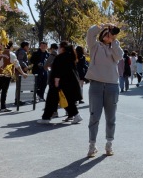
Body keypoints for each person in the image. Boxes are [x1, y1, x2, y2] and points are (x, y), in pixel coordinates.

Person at [84, 23, 124, 157]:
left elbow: (119, 56)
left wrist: (114, 41)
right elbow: (90, 33)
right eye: (107, 33)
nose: (109, 35)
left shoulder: (115, 47)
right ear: (102, 35)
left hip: (112, 85)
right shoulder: (95, 46)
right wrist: (104, 25)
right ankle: (92, 145)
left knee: (111, 118)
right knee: (94, 116)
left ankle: (109, 144)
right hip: (96, 85)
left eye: (111, 34)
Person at [37, 42, 82, 124]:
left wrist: (56, 80)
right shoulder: (71, 57)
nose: (58, 49)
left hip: (60, 83)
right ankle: (76, 115)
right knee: (68, 100)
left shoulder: (60, 57)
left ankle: (46, 118)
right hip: (69, 83)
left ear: (63, 48)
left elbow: (59, 69)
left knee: (51, 100)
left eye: (59, 47)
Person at [0, 43, 28, 112]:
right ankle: (3, 107)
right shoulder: (11, 54)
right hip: (6, 75)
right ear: (11, 47)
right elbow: (17, 65)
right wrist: (23, 73)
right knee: (4, 91)